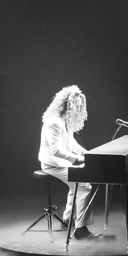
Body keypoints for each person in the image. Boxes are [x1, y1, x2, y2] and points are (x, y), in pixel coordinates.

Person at [38, 85, 98, 239]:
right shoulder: (54, 122)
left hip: (61, 163)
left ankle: (67, 221)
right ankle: (81, 230)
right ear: (67, 105)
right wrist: (79, 159)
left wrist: (86, 153)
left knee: (76, 185)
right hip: (52, 165)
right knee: (84, 186)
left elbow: (71, 143)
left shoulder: (65, 120)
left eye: (79, 106)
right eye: (76, 106)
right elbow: (57, 150)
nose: (78, 109)